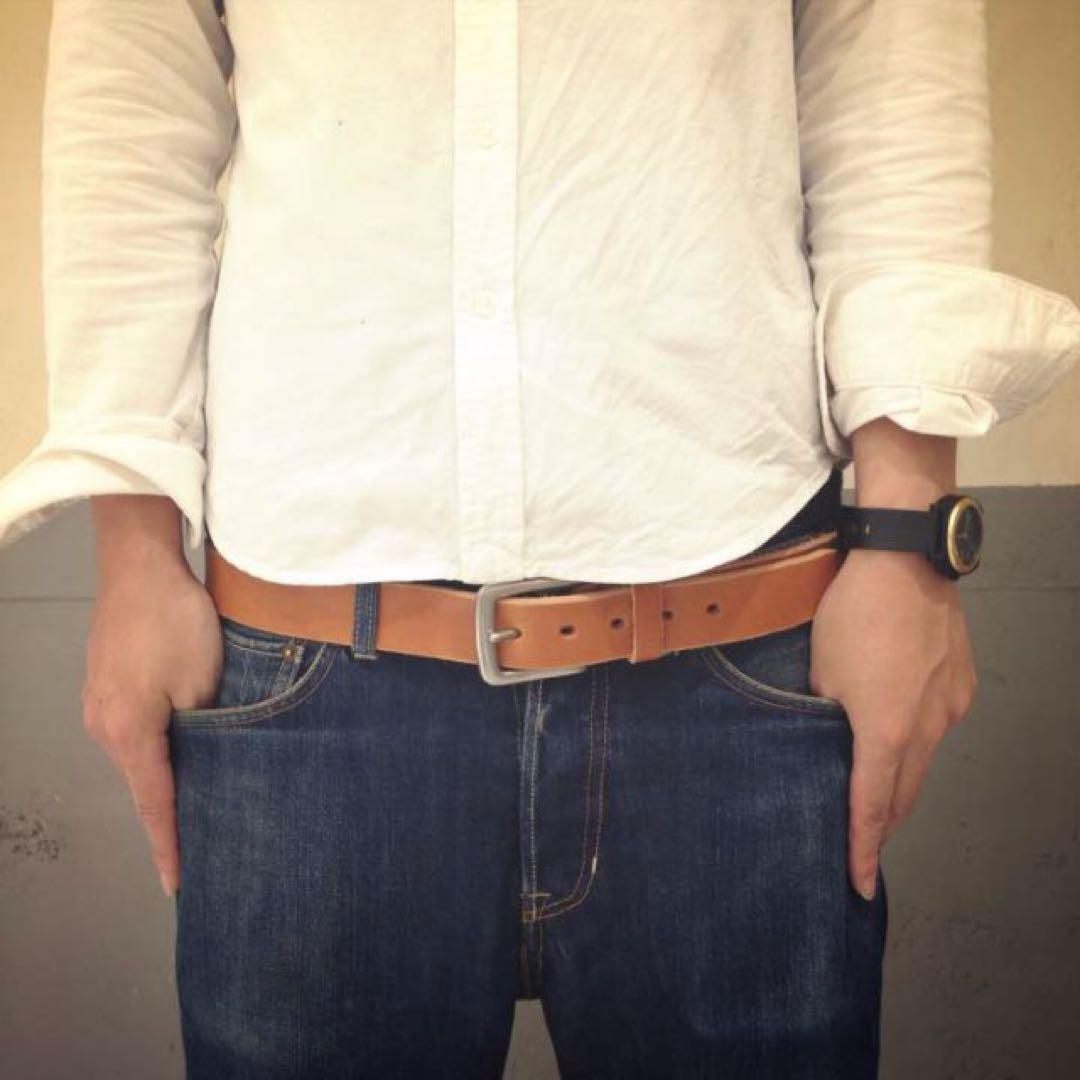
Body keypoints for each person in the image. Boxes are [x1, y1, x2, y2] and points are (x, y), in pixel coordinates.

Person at [1, 1, 1077, 1077]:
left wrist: (909, 534)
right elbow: (134, 118)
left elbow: (886, 74)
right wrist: (135, 555)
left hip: (739, 659)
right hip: (306, 669)